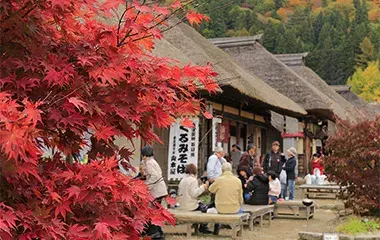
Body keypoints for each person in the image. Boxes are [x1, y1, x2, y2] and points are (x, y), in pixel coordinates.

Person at [140, 146, 167, 239]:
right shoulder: (151, 161)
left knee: (152, 211)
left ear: (144, 155)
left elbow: (155, 176)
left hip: (156, 190)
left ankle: (155, 232)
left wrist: (146, 186)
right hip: (159, 189)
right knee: (155, 211)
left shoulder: (149, 163)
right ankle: (157, 231)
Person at [209, 162, 243, 235]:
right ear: (231, 170)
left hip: (220, 208)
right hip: (234, 208)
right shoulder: (238, 181)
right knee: (241, 211)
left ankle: (216, 229)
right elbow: (240, 198)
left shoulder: (219, 180)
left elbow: (210, 189)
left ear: (222, 170)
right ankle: (237, 230)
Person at [177, 164, 212, 234]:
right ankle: (203, 227)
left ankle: (197, 226)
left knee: (200, 204)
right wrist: (203, 187)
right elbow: (194, 194)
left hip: (182, 204)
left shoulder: (183, 180)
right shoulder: (193, 180)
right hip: (190, 206)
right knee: (205, 208)